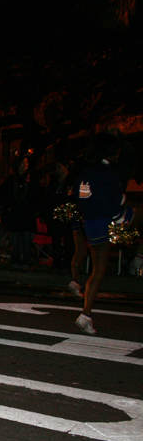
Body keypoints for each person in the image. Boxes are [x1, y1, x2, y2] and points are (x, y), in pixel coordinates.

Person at [74, 133, 140, 335]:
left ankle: (86, 314)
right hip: (106, 221)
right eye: (117, 151)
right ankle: (85, 314)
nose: (118, 154)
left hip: (91, 223)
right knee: (99, 271)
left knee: (97, 271)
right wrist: (119, 207)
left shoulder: (86, 172)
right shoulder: (107, 173)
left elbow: (82, 199)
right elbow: (109, 200)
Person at [0, 156, 42, 271]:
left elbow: (37, 196)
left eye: (26, 162)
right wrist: (7, 208)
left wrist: (35, 210)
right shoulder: (11, 180)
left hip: (27, 214)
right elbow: (3, 195)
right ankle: (15, 260)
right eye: (22, 163)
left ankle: (27, 261)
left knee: (26, 239)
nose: (24, 165)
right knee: (15, 239)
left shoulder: (32, 180)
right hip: (15, 214)